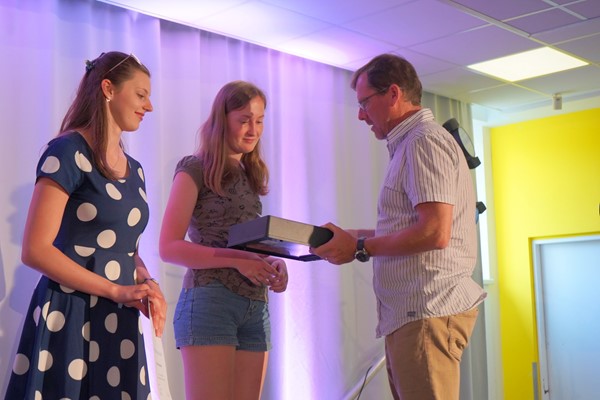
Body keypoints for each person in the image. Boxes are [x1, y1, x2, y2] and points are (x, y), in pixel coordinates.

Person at [312, 54, 486, 400]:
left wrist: (359, 247)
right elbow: (414, 227)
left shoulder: (423, 141)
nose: (361, 115)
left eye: (364, 103)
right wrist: (352, 237)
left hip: (427, 311)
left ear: (393, 94)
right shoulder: (412, 143)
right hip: (415, 315)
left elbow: (434, 232)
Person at [4, 51, 167, 400]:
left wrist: (147, 283)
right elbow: (35, 250)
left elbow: (127, 251)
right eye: (141, 94)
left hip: (118, 317)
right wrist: (115, 290)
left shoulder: (136, 170)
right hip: (71, 312)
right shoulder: (67, 152)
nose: (149, 106)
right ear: (108, 89)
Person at [159, 80, 288, 400]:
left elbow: (243, 246)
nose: (253, 130)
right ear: (222, 119)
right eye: (244, 120)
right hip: (211, 300)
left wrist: (271, 262)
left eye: (259, 121)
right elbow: (169, 246)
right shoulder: (195, 167)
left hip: (255, 304)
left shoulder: (250, 173)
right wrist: (239, 262)